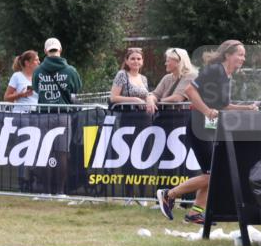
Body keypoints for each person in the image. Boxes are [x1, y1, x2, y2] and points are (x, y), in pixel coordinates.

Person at [156, 40, 259, 225]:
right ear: (228, 54)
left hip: (211, 129)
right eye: (240, 54)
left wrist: (246, 108)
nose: (243, 58)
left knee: (211, 172)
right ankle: (169, 194)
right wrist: (205, 111)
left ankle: (196, 213)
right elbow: (190, 90)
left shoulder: (227, 76)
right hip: (199, 126)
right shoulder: (214, 70)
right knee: (213, 174)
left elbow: (224, 106)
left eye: (244, 55)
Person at [34, 37, 82, 105]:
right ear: (60, 50)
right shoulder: (71, 71)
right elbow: (76, 89)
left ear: (45, 51)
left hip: (43, 113)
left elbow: (36, 89)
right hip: (65, 113)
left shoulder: (37, 71)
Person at [110, 47, 154, 113]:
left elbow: (145, 96)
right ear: (127, 61)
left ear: (142, 61)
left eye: (139, 59)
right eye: (132, 59)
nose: (136, 61)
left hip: (144, 115)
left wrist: (149, 98)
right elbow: (113, 98)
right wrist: (135, 100)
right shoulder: (122, 74)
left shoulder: (144, 78)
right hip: (127, 115)